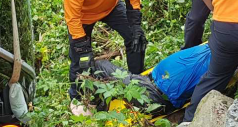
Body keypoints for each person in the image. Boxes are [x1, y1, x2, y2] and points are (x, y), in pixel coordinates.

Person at [65, 0, 146, 104]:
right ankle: (78, 98)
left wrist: (135, 23)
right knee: (81, 60)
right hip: (84, 16)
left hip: (112, 7)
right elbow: (72, 14)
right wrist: (81, 44)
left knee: (136, 39)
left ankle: (138, 82)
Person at [71, 44, 212, 115]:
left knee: (99, 66)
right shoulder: (214, 43)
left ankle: (91, 107)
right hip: (148, 80)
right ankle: (100, 101)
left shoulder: (217, 66)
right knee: (99, 68)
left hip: (155, 96)